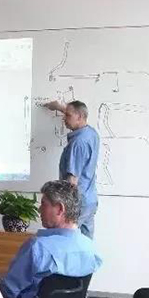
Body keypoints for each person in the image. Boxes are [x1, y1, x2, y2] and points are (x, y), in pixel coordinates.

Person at [0, 180, 102, 298]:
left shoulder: (37, 247)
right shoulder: (90, 247)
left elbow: (8, 292)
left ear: (60, 209)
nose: (39, 209)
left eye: (43, 204)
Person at [44, 100, 99, 238]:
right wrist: (59, 107)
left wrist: (64, 209)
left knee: (65, 240)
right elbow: (76, 112)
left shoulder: (78, 143)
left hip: (78, 203)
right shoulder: (91, 133)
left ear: (80, 117)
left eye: (67, 115)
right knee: (86, 244)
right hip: (89, 200)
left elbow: (72, 182)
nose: (64, 118)